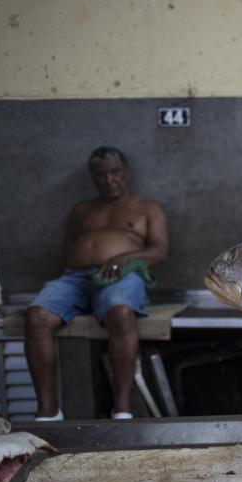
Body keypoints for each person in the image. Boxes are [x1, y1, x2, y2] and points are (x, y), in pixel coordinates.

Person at [25, 147, 168, 421]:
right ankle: (48, 412)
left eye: (115, 172)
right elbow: (66, 253)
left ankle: (122, 409)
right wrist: (65, 290)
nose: (109, 179)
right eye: (100, 175)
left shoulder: (147, 209)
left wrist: (124, 257)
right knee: (36, 316)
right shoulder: (82, 210)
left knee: (120, 313)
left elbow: (159, 252)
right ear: (92, 178)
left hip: (122, 276)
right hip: (75, 279)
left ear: (126, 173)